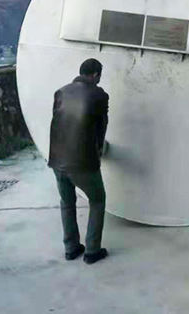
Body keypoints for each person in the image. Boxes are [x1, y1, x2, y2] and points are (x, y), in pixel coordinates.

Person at [48, 58, 109, 264]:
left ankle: (71, 248)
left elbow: (56, 123)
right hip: (83, 162)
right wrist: (98, 151)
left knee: (67, 202)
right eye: (99, 76)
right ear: (95, 74)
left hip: (57, 160)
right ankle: (92, 251)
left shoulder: (61, 92)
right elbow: (101, 128)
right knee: (98, 200)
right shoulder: (99, 95)